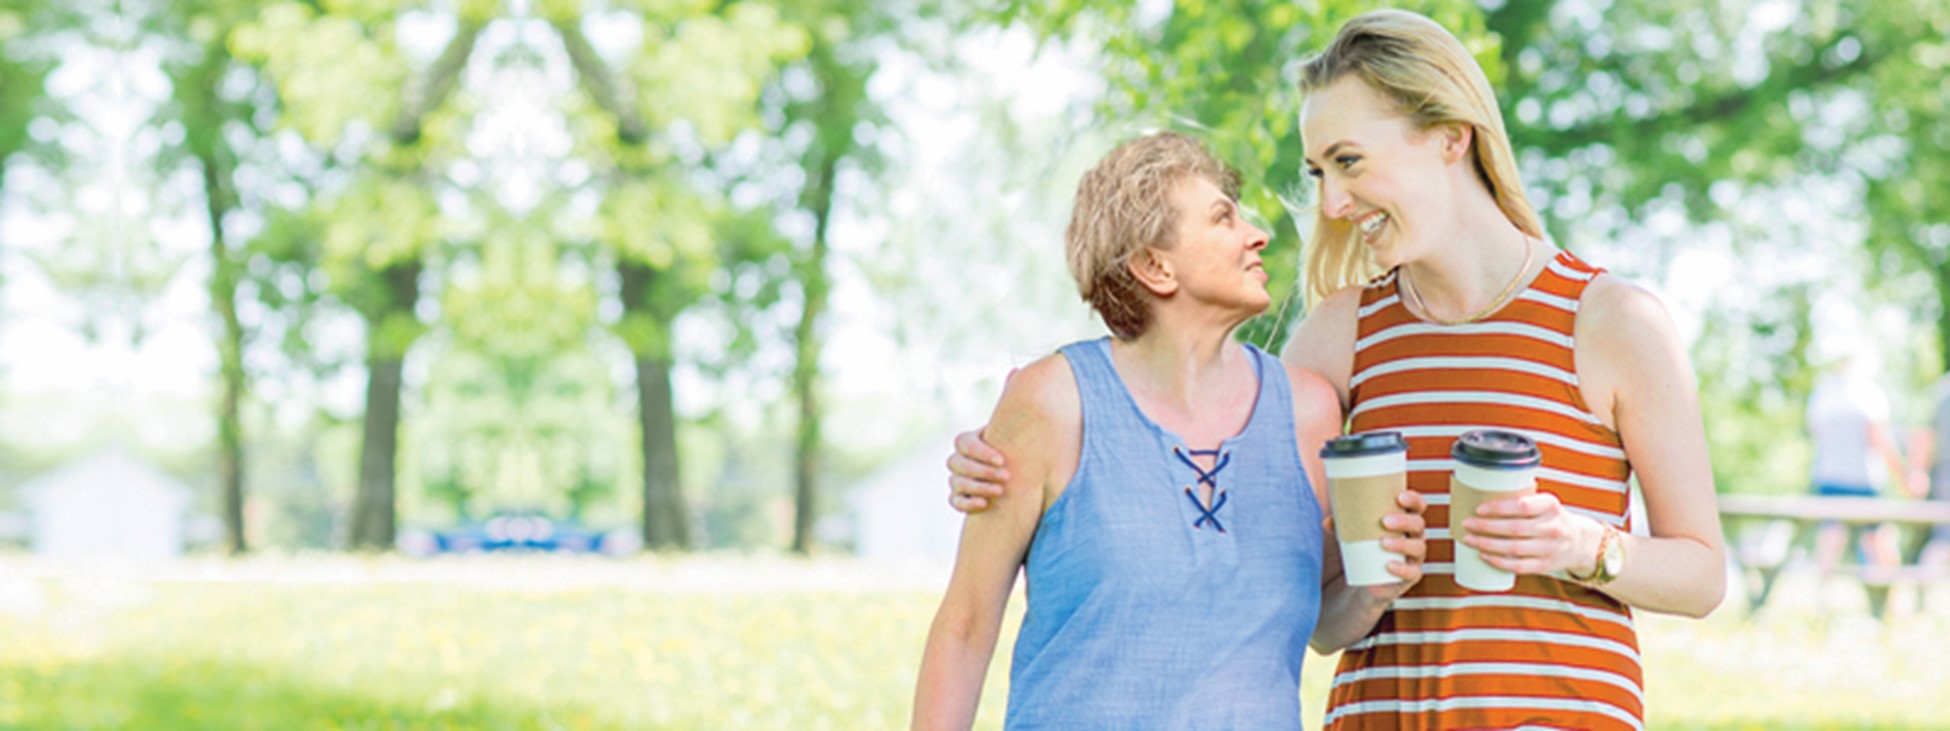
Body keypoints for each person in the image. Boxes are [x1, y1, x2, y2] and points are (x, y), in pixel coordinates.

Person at [946, 10, 1726, 730]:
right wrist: (1013, 459)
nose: (1333, 203)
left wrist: (1581, 544)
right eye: (1320, 172)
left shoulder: (1611, 321)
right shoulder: (1342, 335)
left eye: (1349, 161)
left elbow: (1701, 574)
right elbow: (1302, 606)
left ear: (1449, 136)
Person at [911, 131, 1419, 730]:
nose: (1257, 235)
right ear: (1154, 266)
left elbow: (1320, 626)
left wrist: (1374, 589)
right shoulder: (1053, 402)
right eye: (1222, 219)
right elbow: (966, 627)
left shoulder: (1309, 412)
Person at [1805, 355, 1913, 571]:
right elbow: (1881, 440)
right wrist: (1903, 477)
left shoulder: (1822, 394)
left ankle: (1820, 590)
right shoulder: (1869, 393)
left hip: (1828, 477)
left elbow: (1815, 435)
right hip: (1864, 479)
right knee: (1879, 543)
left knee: (1830, 541)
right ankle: (1890, 589)